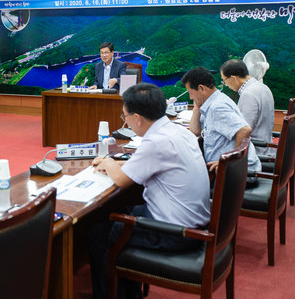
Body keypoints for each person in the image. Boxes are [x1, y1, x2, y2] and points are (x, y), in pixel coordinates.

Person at [89, 83, 210, 298]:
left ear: (137, 118)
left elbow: (122, 181)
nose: (125, 121)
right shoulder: (176, 131)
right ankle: (130, 292)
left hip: (176, 233)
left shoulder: (156, 141)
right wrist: (117, 165)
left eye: (124, 116)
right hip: (195, 221)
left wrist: (108, 163)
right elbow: (143, 165)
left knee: (98, 234)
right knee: (116, 211)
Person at [182, 66, 261, 173]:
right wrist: (196, 108)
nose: (190, 97)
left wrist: (232, 161)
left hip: (236, 174)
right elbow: (195, 131)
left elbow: (245, 130)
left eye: (190, 92)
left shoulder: (217, 107)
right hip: (228, 170)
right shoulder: (213, 102)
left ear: (201, 88)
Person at [220, 59, 275, 156]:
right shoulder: (263, 87)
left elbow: (244, 130)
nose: (226, 85)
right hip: (267, 147)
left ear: (233, 78)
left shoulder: (248, 94)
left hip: (255, 152)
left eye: (225, 81)